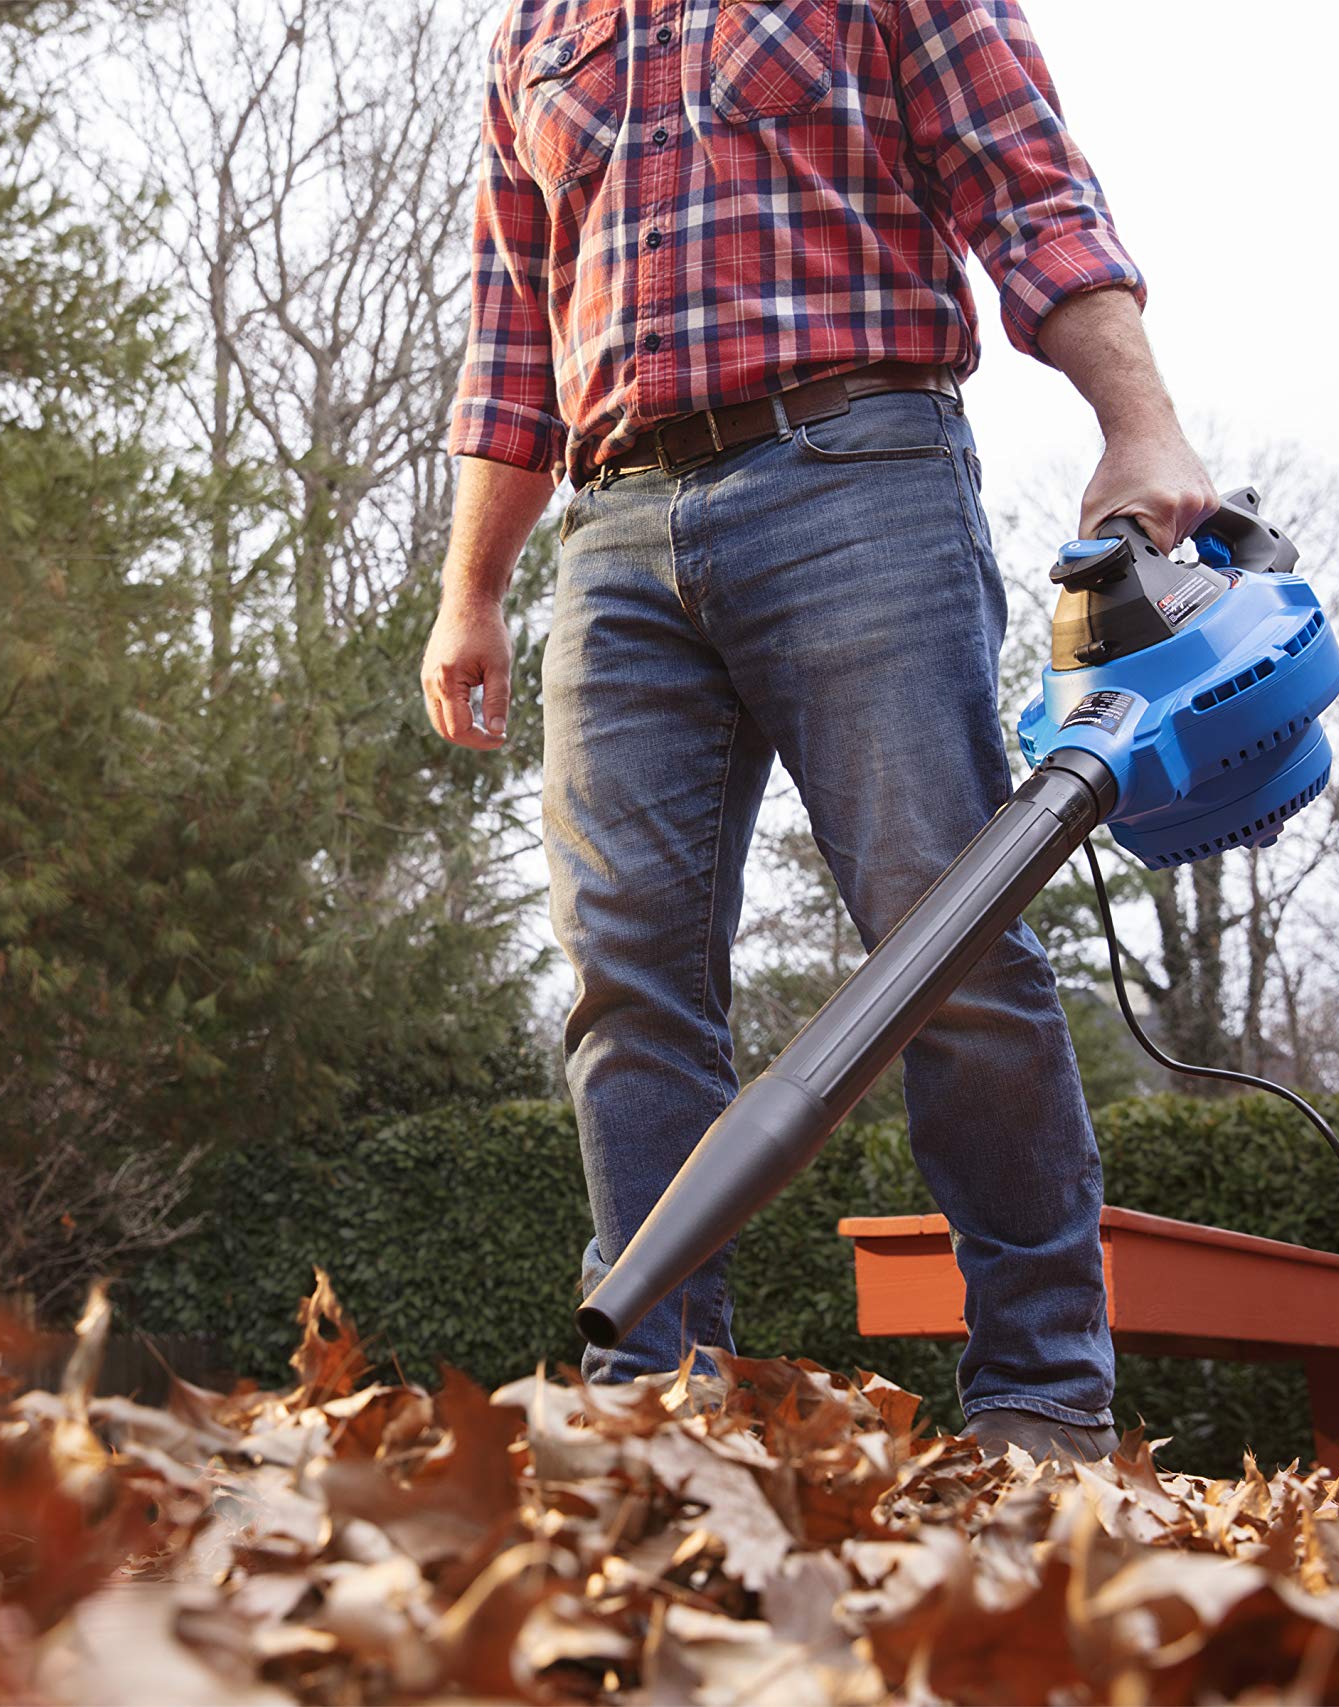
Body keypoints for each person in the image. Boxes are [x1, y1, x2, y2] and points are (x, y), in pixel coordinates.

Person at [420, 0, 1217, 1461]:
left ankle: (1041, 1397)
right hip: (614, 529)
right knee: (624, 978)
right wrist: (471, 588)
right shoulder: (533, 28)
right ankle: (657, 1410)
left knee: (947, 933)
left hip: (855, 468)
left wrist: (1141, 423)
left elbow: (1026, 182)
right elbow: (508, 343)